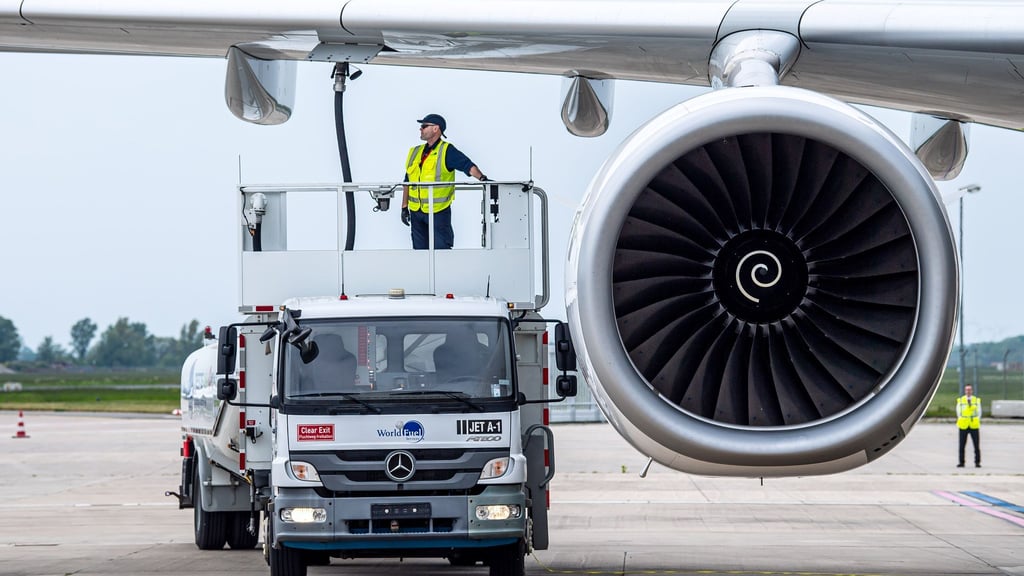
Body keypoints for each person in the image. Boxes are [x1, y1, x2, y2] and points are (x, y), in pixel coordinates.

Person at [401, 113, 487, 249]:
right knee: (420, 252)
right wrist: (404, 207)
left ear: (436, 128)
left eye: (424, 126)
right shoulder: (415, 152)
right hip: (416, 212)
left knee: (442, 251)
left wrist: (483, 179)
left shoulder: (446, 151)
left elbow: (467, 166)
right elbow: (407, 180)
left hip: (438, 212)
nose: (420, 129)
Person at [956, 383, 982, 468]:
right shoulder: (960, 400)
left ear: (972, 391)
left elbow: (979, 412)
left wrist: (975, 419)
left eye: (969, 389)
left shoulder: (976, 400)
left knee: (976, 445)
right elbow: (958, 413)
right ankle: (961, 462)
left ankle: (977, 462)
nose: (968, 391)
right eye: (967, 389)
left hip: (974, 425)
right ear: (965, 391)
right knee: (962, 445)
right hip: (963, 425)